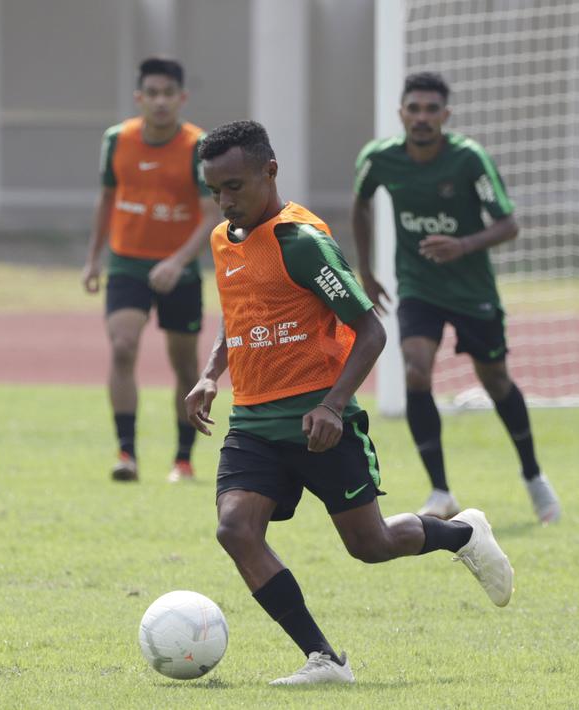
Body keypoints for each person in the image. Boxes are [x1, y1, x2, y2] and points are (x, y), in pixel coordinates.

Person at [186, 120, 513, 685]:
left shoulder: (302, 243)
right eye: (215, 190)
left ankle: (462, 533)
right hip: (254, 423)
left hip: (320, 422)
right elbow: (239, 313)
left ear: (270, 171)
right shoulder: (223, 240)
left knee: (371, 544)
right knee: (235, 529)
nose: (224, 201)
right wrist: (210, 374)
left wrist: (334, 407)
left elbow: (371, 331)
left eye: (234, 186)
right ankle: (325, 659)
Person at [351, 72, 561, 524]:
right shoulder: (379, 159)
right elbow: (361, 203)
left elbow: (509, 224)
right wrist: (365, 271)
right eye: (414, 109)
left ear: (445, 115)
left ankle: (533, 476)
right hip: (418, 286)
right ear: (401, 113)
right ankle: (440, 491)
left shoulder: (468, 159)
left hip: (471, 289)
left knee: (496, 381)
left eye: (432, 110)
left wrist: (462, 245)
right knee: (415, 370)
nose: (422, 118)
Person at [82, 57, 221, 483]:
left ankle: (183, 460)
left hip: (180, 270)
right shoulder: (117, 140)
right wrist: (94, 258)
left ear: (182, 98)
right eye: (153, 94)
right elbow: (107, 199)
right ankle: (126, 454)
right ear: (139, 98)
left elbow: (210, 214)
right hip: (127, 263)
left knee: (185, 365)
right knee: (123, 347)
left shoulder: (197, 146)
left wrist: (178, 261)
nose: (161, 102)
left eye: (169, 94)